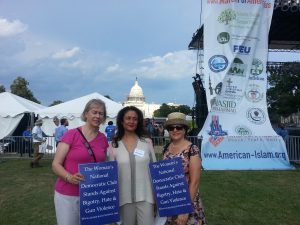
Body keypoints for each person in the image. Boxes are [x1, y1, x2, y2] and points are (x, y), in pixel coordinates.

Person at [52, 99, 108, 225]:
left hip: (92, 195)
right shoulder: (71, 134)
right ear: (86, 114)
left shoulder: (103, 139)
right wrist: (69, 177)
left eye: (101, 113)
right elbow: (56, 164)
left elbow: (102, 165)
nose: (98, 116)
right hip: (68, 194)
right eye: (94, 112)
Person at [109, 106, 156, 225]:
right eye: (128, 118)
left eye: (135, 119)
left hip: (146, 197)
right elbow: (110, 176)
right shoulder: (113, 145)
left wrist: (157, 196)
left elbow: (154, 169)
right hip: (123, 199)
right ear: (121, 121)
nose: (131, 121)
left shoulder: (147, 142)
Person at [163, 112, 206, 225]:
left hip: (188, 200)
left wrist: (185, 209)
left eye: (179, 127)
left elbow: (195, 182)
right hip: (171, 201)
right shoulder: (166, 148)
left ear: (185, 130)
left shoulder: (192, 149)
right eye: (171, 128)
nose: (175, 130)